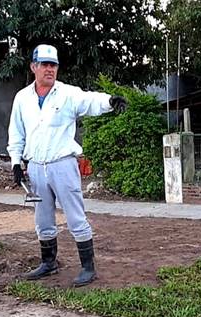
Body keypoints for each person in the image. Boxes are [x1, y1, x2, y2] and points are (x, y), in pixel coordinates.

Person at [7, 44, 127, 287]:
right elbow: (16, 133)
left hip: (63, 165)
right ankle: (48, 262)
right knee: (43, 219)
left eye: (53, 65)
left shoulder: (67, 94)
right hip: (36, 167)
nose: (49, 69)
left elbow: (89, 100)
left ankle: (88, 267)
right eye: (44, 65)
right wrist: (16, 163)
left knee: (75, 217)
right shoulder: (22, 98)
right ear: (33, 67)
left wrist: (109, 101)